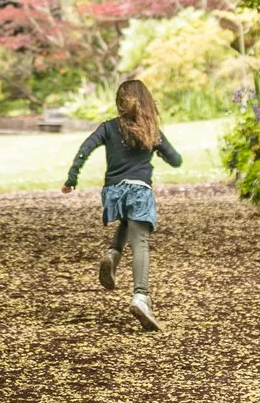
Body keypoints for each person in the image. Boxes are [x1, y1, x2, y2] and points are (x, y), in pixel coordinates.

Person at [62, 78, 181, 331]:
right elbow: (176, 160)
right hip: (139, 190)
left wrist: (72, 178)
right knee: (141, 241)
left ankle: (112, 254)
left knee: (127, 220)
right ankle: (141, 296)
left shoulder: (108, 127)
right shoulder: (151, 130)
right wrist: (158, 148)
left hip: (113, 192)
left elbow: (86, 147)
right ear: (147, 102)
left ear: (119, 103)